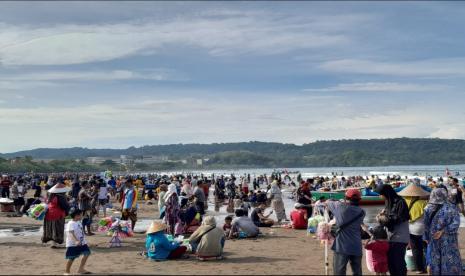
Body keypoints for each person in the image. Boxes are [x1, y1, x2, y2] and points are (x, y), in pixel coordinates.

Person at [327, 189, 365, 276]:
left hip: (341, 246)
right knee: (357, 272)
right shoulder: (362, 212)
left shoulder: (339, 207)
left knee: (339, 271)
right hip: (356, 245)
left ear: (346, 198)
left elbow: (328, 201)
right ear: (359, 199)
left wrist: (337, 201)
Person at [423, 188, 462, 275]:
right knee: (449, 259)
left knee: (435, 260)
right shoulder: (452, 207)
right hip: (449, 239)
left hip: (434, 238)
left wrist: (426, 237)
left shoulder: (427, 208)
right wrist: (444, 231)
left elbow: (425, 225)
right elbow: (456, 223)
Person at [376, 184, 410, 276]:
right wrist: (382, 216)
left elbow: (396, 219)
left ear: (386, 193)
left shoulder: (400, 202)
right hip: (390, 237)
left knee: (398, 263)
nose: (380, 196)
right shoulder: (389, 202)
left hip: (399, 237)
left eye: (381, 194)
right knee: (391, 263)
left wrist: (381, 218)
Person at [397, 183, 429, 274]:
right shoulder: (423, 203)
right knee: (426, 247)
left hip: (410, 228)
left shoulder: (403, 202)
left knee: (415, 249)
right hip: (422, 229)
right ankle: (428, 265)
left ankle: (419, 269)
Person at [42, 181, 71, 248]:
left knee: (51, 228)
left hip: (49, 213)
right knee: (57, 228)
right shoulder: (61, 197)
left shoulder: (50, 195)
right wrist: (68, 205)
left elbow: (47, 203)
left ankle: (53, 242)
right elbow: (64, 206)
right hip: (58, 214)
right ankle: (55, 243)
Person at [64, 208, 91, 275]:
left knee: (87, 253)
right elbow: (71, 233)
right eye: (81, 215)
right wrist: (76, 241)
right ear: (76, 216)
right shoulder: (71, 223)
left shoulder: (79, 222)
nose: (82, 216)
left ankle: (81, 269)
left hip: (82, 242)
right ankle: (67, 271)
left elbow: (80, 232)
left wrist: (84, 241)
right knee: (72, 257)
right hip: (73, 244)